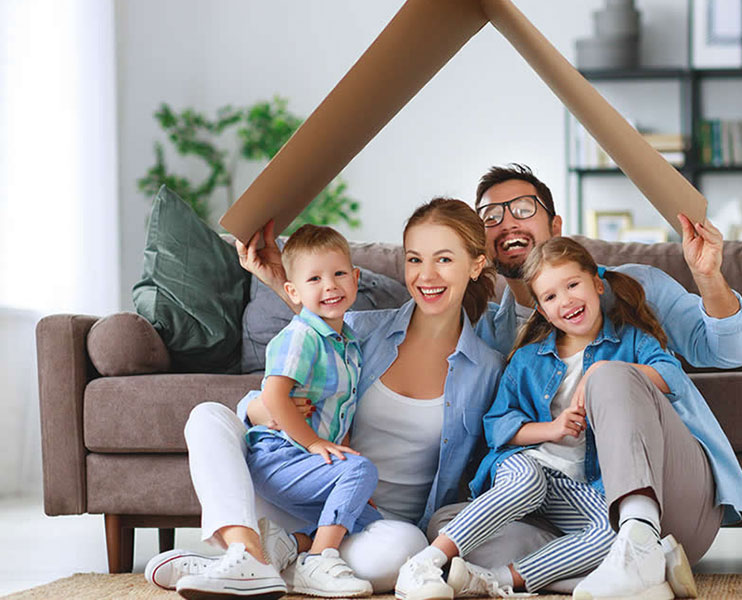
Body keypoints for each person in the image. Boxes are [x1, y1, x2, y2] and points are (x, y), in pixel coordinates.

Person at [146, 199, 504, 599]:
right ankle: (248, 550)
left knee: (406, 552)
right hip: (301, 489)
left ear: (476, 265)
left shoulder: (488, 368)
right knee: (208, 416)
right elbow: (301, 352)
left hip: (372, 525)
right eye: (415, 259)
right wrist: (258, 408)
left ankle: (262, 560)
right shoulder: (362, 330)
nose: (426, 275)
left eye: (444, 260)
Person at [427, 164, 742, 595]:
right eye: (490, 216)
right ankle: (616, 571)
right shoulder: (488, 333)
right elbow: (487, 426)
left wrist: (708, 275)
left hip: (669, 496)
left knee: (609, 376)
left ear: (555, 224)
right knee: (451, 528)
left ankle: (636, 542)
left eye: (523, 209)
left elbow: (731, 352)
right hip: (566, 507)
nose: (507, 222)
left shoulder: (636, 293)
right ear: (480, 245)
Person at [224, 225, 379, 597]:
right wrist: (312, 443)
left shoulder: (349, 344)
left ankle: (288, 546)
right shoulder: (302, 336)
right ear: (293, 291)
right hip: (278, 456)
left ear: (356, 279)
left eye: (340, 274)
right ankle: (320, 559)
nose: (330, 286)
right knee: (362, 469)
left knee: (368, 518)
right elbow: (275, 397)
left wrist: (345, 470)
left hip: (307, 461)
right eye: (315, 278)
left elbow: (343, 413)